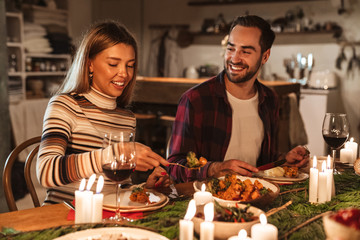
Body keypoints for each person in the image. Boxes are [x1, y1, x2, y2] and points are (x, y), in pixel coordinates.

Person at [37, 20, 171, 204]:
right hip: (64, 216)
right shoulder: (65, 105)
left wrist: (144, 188)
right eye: (113, 64)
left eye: (130, 65)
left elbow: (117, 186)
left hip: (106, 217)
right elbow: (46, 172)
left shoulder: (126, 118)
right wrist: (113, 154)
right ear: (89, 64)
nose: (124, 73)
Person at [167, 15, 309, 183]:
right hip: (208, 201)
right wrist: (215, 169)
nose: (234, 58)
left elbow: (263, 162)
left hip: (256, 197)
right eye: (231, 48)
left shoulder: (269, 99)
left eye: (246, 51)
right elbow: (174, 167)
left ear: (265, 56)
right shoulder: (196, 100)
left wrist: (285, 160)